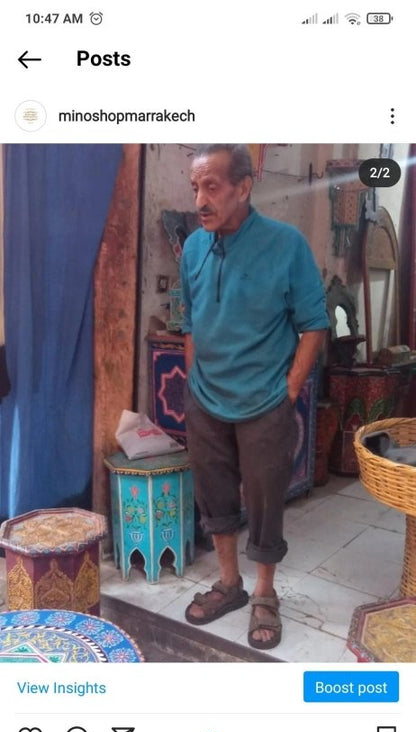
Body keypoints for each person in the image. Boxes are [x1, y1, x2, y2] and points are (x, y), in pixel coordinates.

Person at [180, 144, 329, 650]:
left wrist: (288, 392)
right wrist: (192, 381)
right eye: (196, 187)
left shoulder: (285, 245)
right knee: (215, 494)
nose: (201, 198)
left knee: (265, 500)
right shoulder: (195, 247)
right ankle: (230, 584)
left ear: (244, 188)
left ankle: (265, 593)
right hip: (205, 398)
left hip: (265, 401)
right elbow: (190, 320)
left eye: (212, 187)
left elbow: (313, 325)